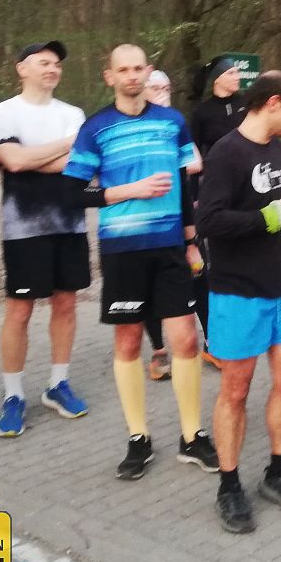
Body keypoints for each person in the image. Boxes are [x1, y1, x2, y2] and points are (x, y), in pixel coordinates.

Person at [63, 44, 217, 480]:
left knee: (185, 339)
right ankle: (138, 438)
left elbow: (185, 187)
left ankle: (192, 436)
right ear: (109, 76)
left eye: (138, 68)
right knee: (129, 343)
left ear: (148, 72)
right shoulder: (95, 128)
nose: (132, 76)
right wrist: (129, 191)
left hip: (170, 248)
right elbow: (71, 192)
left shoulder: (172, 122)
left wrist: (191, 241)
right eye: (123, 70)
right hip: (122, 251)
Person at [198, 71, 281, 534]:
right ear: (272, 102)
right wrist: (272, 217)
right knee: (236, 389)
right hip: (238, 292)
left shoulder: (279, 150)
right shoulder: (226, 152)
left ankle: (278, 471)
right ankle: (229, 486)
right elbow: (209, 222)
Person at [0, 40, 91, 438]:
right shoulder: (2, 112)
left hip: (70, 223)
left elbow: (80, 166)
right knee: (20, 312)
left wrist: (24, 156)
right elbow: (15, 161)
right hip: (24, 227)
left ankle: (57, 384)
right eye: (43, 62)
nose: (52, 68)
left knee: (66, 305)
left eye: (56, 63)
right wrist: (67, 144)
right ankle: (13, 395)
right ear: (22, 69)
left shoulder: (74, 113)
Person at [188, 57, 248, 363]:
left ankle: (242, 327)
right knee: (215, 264)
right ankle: (215, 338)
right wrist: (194, 197)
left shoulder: (247, 104)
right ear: (217, 79)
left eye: (238, 71)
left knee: (244, 257)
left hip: (248, 189)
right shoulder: (201, 112)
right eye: (232, 72)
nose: (238, 77)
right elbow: (191, 156)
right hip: (215, 192)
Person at [143, 68, 181, 380]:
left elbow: (194, 163)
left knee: (192, 281)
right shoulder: (135, 124)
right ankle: (158, 350)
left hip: (180, 217)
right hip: (143, 222)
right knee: (149, 289)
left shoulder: (176, 123)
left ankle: (203, 344)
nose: (162, 93)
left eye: (166, 88)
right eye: (156, 88)